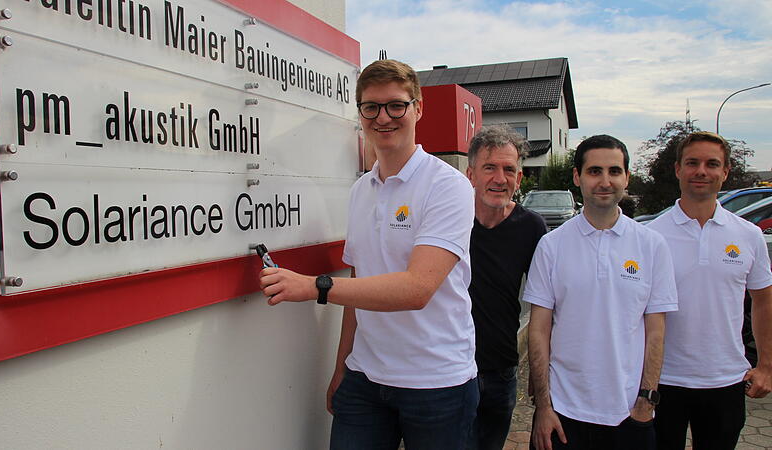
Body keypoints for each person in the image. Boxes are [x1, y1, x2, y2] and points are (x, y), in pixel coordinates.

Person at [259, 59, 478, 450]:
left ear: (418, 108)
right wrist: (342, 365)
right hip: (366, 379)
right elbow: (360, 282)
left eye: (396, 105)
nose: (383, 118)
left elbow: (417, 289)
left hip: (436, 383)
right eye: (371, 107)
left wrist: (315, 287)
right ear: (359, 113)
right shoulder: (361, 190)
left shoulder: (448, 186)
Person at [525, 135, 678, 450]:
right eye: (595, 171)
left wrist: (646, 402)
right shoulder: (552, 246)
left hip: (627, 415)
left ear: (626, 178)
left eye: (614, 171)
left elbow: (656, 330)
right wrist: (544, 405)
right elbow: (538, 331)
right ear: (578, 177)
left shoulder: (651, 246)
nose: (605, 181)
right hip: (563, 413)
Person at [647, 131, 772, 449]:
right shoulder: (649, 237)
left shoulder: (748, 235)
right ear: (678, 169)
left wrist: (766, 366)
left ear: (725, 172)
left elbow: (763, 300)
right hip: (661, 381)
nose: (701, 171)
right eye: (692, 163)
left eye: (711, 164)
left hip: (726, 379)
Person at [465, 125, 547, 450]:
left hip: (501, 371)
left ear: (519, 178)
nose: (500, 178)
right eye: (490, 168)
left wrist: (542, 382)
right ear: (471, 174)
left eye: (508, 169)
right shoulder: (449, 219)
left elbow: (545, 305)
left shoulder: (531, 228)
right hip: (450, 372)